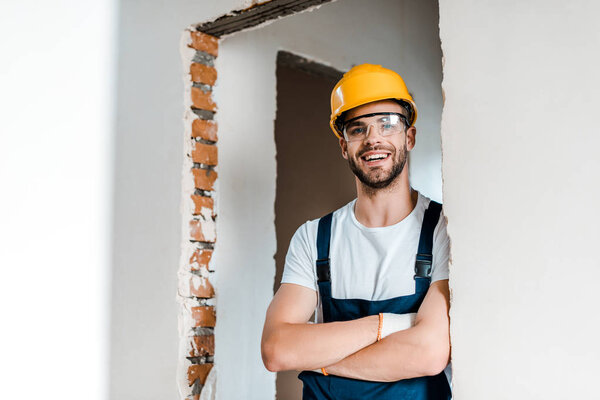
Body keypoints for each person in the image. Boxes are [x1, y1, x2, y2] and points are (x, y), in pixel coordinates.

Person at [261, 63, 451, 399]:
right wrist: (391, 325)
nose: (373, 138)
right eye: (357, 129)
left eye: (387, 124)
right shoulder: (313, 239)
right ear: (344, 146)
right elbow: (277, 349)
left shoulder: (442, 231)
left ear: (410, 136)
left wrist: (319, 361)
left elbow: (429, 352)